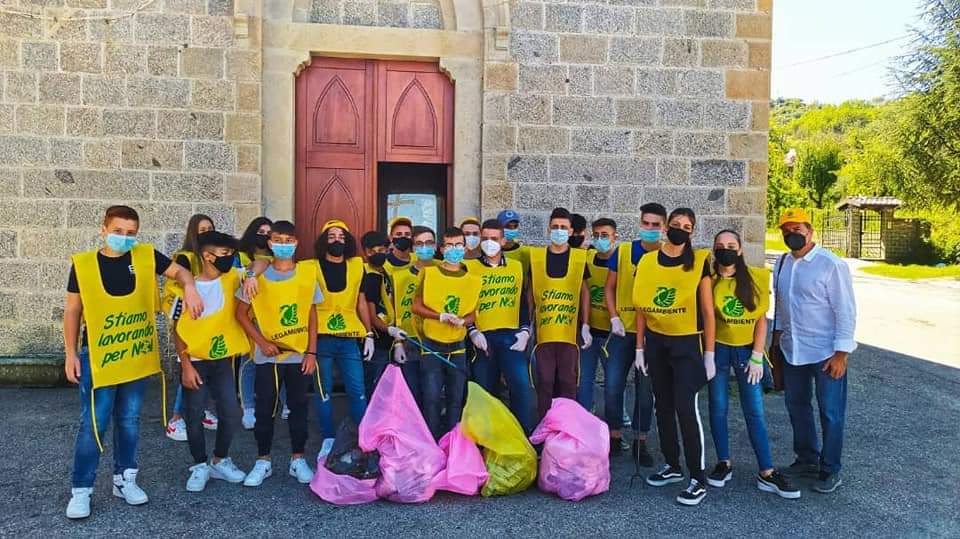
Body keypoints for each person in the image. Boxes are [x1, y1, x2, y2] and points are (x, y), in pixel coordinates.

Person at [64, 205, 203, 519]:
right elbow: (73, 310)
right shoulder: (84, 265)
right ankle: (81, 489)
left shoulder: (146, 256)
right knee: (94, 423)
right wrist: (71, 353)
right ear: (104, 229)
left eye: (130, 233)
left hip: (136, 355)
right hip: (99, 356)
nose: (124, 238)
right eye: (118, 231)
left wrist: (190, 286)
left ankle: (125, 479)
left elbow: (180, 271)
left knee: (129, 420)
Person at [707, 229, 799, 499]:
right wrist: (708, 354)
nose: (726, 249)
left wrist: (758, 354)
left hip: (747, 352)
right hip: (719, 351)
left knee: (754, 411)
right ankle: (723, 462)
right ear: (714, 250)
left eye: (731, 245)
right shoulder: (708, 280)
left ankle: (767, 472)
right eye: (720, 245)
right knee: (718, 407)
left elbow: (761, 319)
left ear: (740, 249)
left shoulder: (756, 278)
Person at [632, 207, 715, 507]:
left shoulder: (699, 263)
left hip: (687, 345)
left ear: (692, 232)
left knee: (685, 408)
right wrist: (639, 347)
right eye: (677, 224)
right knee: (662, 406)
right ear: (667, 227)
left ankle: (697, 477)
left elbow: (707, 310)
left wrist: (710, 353)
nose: (681, 229)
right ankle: (672, 464)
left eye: (688, 226)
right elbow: (642, 307)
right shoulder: (648, 261)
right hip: (656, 342)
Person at [773, 208, 857, 494]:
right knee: (797, 406)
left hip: (825, 353)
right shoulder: (782, 263)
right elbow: (782, 308)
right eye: (786, 230)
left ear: (810, 231)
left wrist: (841, 353)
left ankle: (830, 468)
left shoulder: (829, 264)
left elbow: (845, 309)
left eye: (797, 229)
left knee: (831, 412)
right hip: (792, 350)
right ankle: (806, 458)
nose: (791, 235)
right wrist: (776, 343)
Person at [234, 220, 320, 488]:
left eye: (289, 240)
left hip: (297, 355)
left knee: (298, 408)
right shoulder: (257, 275)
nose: (284, 245)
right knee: (265, 408)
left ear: (296, 243)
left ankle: (297, 459)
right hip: (268, 355)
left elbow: (311, 313)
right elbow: (241, 313)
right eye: (278, 240)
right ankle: (263, 460)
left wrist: (312, 352)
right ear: (270, 243)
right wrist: (260, 341)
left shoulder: (306, 274)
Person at [173, 231, 250, 492]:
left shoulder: (232, 278)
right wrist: (185, 365)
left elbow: (261, 263)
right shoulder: (186, 288)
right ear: (207, 255)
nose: (230, 259)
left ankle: (219, 459)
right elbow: (176, 328)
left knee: (231, 411)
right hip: (195, 361)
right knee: (194, 414)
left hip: (223, 362)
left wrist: (250, 276)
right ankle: (199, 465)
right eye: (225, 254)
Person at [604, 202, 666, 466]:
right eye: (646, 223)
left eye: (655, 225)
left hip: (651, 334)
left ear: (663, 227)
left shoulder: (666, 254)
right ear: (639, 223)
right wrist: (614, 316)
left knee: (645, 390)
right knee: (612, 385)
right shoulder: (624, 251)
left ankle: (641, 441)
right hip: (623, 332)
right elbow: (609, 287)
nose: (650, 229)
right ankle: (614, 436)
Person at [464, 219, 535, 434]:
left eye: (494, 239)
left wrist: (525, 330)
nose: (488, 243)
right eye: (484, 239)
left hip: (512, 337)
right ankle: (486, 442)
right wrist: (472, 331)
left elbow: (522, 300)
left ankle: (524, 441)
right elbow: (465, 304)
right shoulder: (470, 267)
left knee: (521, 388)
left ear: (503, 240)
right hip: (482, 338)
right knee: (485, 392)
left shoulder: (516, 266)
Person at [412, 226, 481, 438]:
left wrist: (463, 322)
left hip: (458, 347)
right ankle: (431, 442)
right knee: (431, 398)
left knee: (455, 399)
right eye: (450, 245)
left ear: (465, 247)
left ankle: (452, 442)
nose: (454, 249)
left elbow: (473, 314)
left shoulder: (473, 279)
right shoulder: (429, 273)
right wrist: (439, 316)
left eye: (459, 245)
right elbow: (416, 306)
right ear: (441, 249)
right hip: (432, 344)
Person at [307, 220, 373, 439]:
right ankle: (328, 439)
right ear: (323, 240)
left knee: (357, 391)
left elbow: (361, 302)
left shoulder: (357, 265)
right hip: (321, 338)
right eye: (332, 236)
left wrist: (369, 333)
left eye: (341, 237)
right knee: (323, 392)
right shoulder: (309, 267)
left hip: (349, 339)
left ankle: (363, 439)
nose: (337, 240)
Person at [529, 207, 592, 419]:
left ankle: (569, 427)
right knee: (544, 382)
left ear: (571, 230)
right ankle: (545, 428)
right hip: (544, 331)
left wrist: (585, 324)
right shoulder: (536, 257)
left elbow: (584, 292)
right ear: (548, 228)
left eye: (563, 227)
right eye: (555, 227)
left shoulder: (579, 258)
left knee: (568, 382)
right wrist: (525, 326)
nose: (558, 230)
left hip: (569, 331)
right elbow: (530, 291)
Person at [164, 214, 218, 441]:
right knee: (190, 369)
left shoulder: (213, 256)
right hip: (190, 319)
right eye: (202, 229)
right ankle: (176, 419)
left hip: (210, 319)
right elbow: (180, 288)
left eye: (210, 229)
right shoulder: (185, 258)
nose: (206, 233)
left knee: (207, 368)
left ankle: (202, 410)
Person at [577, 217, 629, 454]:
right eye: (596, 234)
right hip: (589, 331)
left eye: (605, 235)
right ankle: (585, 430)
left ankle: (615, 433)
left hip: (613, 334)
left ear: (615, 237)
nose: (599, 239)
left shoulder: (621, 260)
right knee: (584, 381)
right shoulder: (586, 258)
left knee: (613, 386)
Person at [387, 225, 438, 403]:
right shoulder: (398, 276)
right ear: (413, 247)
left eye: (429, 243)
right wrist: (398, 343)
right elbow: (395, 312)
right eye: (419, 244)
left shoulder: (444, 269)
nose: (425, 247)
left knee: (434, 396)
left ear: (436, 245)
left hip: (438, 341)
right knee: (411, 395)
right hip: (409, 341)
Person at [235, 216, 277, 430]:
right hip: (249, 314)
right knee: (249, 361)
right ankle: (248, 407)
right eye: (260, 232)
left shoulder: (277, 255)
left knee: (281, 359)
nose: (265, 236)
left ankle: (284, 404)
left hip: (273, 316)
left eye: (269, 233)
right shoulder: (240, 256)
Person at [359, 230, 401, 397]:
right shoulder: (367, 274)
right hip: (374, 338)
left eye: (381, 250)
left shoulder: (386, 272)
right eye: (372, 251)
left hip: (388, 338)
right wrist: (388, 330)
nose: (377, 254)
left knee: (387, 384)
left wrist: (397, 341)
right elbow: (371, 312)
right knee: (373, 385)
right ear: (365, 252)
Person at [498, 209, 531, 278]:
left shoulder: (524, 252)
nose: (512, 229)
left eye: (515, 226)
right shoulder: (493, 251)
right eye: (507, 226)